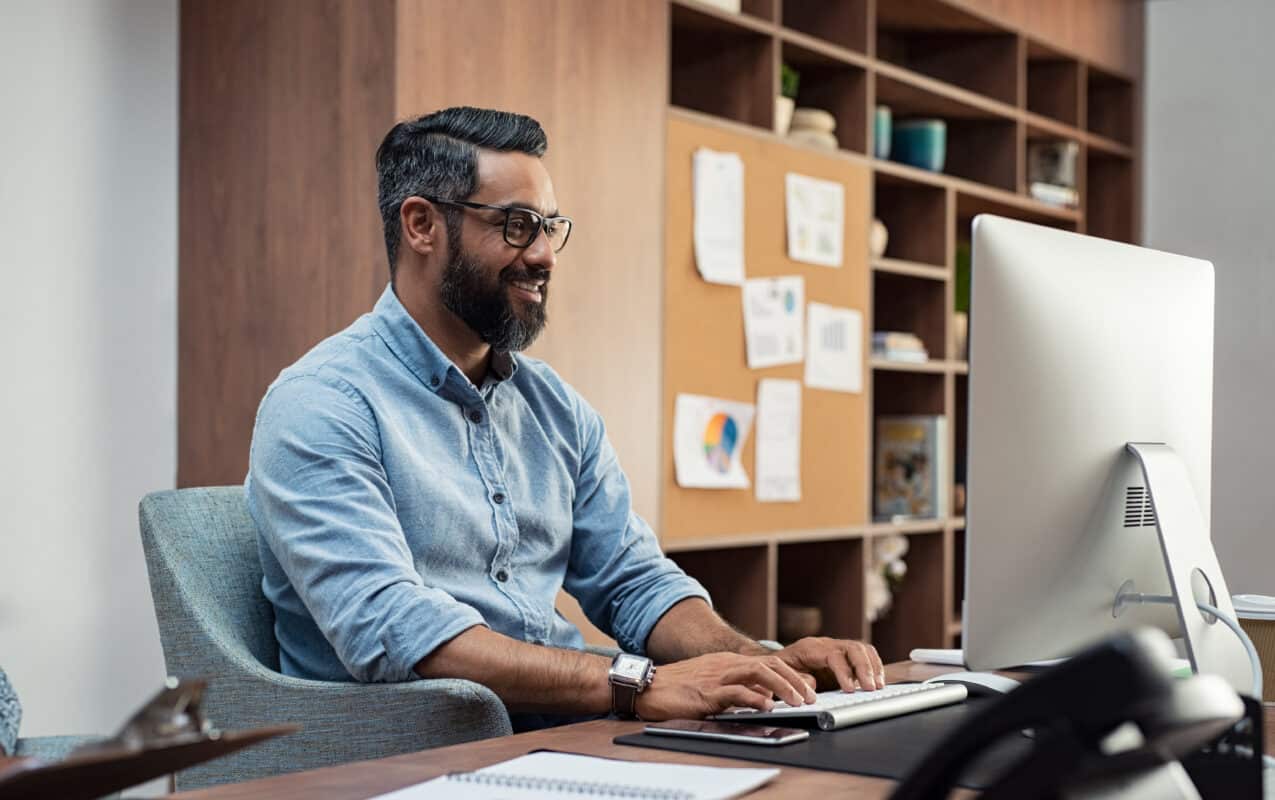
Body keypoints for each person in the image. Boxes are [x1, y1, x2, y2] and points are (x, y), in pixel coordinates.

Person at [246, 106, 884, 730]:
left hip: (566, 733)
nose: (546, 254)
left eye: (551, 227)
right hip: (409, 759)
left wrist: (756, 663)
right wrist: (637, 684)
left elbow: (632, 579)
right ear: (421, 225)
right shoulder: (321, 404)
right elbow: (393, 629)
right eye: (519, 225)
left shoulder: (555, 408)